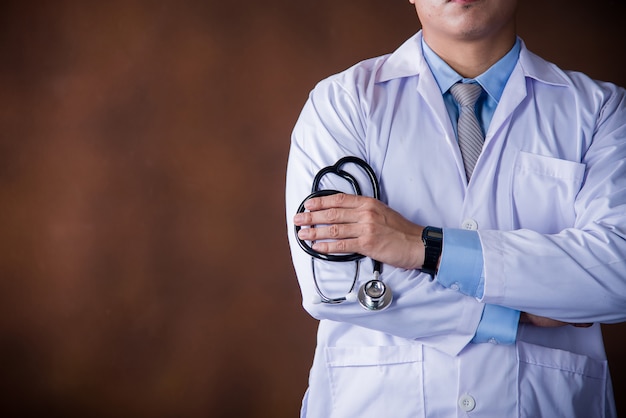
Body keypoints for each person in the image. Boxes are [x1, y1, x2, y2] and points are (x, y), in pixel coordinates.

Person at [285, 0, 626, 416]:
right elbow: (333, 285)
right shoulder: (342, 103)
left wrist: (422, 246)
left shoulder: (600, 112)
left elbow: (617, 273)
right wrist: (513, 316)